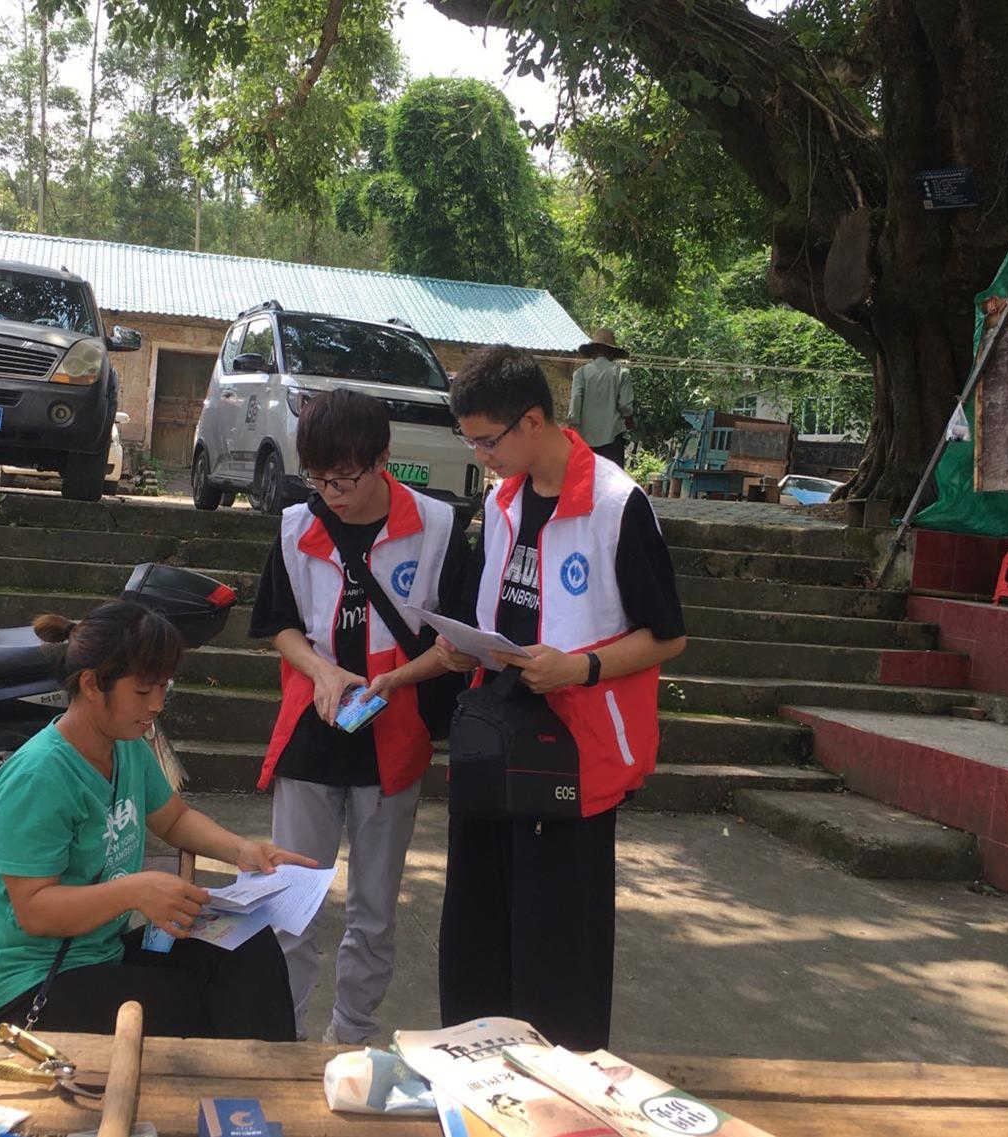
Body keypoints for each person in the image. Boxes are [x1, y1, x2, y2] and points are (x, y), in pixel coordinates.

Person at [437, 345, 687, 1050]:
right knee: (478, 939)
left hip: (574, 760)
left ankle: (562, 1088)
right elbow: (495, 610)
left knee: (558, 958)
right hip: (493, 745)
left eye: (488, 440)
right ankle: (478, 1070)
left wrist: (580, 668)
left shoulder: (615, 504)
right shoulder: (502, 500)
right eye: (471, 441)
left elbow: (668, 636)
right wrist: (465, 647)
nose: (481, 455)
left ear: (533, 421)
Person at [0, 600, 311, 1038]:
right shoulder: (39, 776)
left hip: (100, 953)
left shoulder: (126, 744)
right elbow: (34, 910)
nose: (157, 705)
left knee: (247, 945)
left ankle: (269, 1072)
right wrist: (134, 891)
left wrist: (242, 850)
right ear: (91, 684)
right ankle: (255, 1074)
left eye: (164, 688)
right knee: (203, 1009)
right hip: (29, 986)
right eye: (143, 692)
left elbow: (173, 819)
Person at [249, 390, 471, 1044]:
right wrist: (322, 671)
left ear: (382, 459)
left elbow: (457, 642)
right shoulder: (297, 525)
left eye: (344, 479)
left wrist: (397, 679)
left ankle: (349, 1036)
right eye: (317, 478)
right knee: (291, 902)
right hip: (311, 732)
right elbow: (277, 624)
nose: (331, 494)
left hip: (393, 738)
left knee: (373, 911)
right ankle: (283, 1038)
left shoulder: (436, 527)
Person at [567, 328, 635, 467]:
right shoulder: (621, 373)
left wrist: (573, 424)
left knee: (588, 476)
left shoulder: (580, 373)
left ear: (593, 351)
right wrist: (629, 419)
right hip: (613, 438)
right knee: (612, 478)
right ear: (612, 352)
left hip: (585, 440)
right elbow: (625, 406)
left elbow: (575, 401)